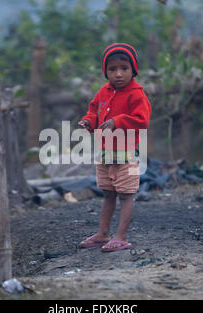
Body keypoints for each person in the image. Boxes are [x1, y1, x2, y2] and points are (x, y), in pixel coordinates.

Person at [77, 43, 151, 252]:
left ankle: (121, 236)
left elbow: (142, 120)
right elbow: (94, 112)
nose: (118, 74)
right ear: (106, 71)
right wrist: (87, 122)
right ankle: (103, 234)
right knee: (108, 194)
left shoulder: (136, 94)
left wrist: (117, 121)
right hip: (105, 154)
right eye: (112, 69)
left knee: (126, 195)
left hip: (126, 155)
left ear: (133, 70)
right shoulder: (103, 92)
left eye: (124, 68)